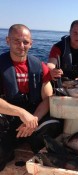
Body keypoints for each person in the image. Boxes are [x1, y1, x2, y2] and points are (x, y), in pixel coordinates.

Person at [0, 24, 62, 171]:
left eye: (25, 42)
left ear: (31, 43)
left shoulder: (39, 66)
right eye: (16, 41)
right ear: (7, 40)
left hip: (34, 118)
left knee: (55, 129)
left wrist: (33, 119)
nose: (21, 46)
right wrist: (22, 114)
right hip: (9, 117)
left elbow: (47, 98)